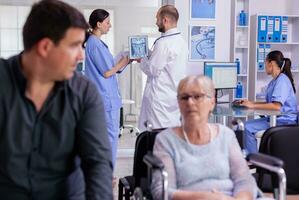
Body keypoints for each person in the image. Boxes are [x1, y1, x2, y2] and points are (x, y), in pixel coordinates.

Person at [0, 0, 113, 199]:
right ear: (45, 47)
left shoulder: (84, 93)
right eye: (74, 46)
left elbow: (98, 163)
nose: (81, 56)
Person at [151, 75, 257, 200]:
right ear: (178, 103)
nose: (190, 102)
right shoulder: (165, 141)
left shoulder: (226, 135)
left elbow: (244, 181)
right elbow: (162, 192)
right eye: (184, 97)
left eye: (197, 96)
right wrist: (205, 197)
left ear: (212, 102)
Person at [84, 9, 129, 168]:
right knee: (110, 138)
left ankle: (104, 173)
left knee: (107, 137)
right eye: (107, 22)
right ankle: (107, 174)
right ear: (98, 24)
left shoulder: (96, 43)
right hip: (106, 99)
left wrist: (125, 61)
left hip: (105, 98)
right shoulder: (94, 44)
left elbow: (110, 67)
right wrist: (124, 62)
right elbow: (107, 72)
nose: (109, 26)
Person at [138, 5, 188, 132]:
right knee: (170, 136)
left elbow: (152, 70)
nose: (156, 22)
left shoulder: (163, 43)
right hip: (172, 98)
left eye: (157, 19)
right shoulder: (181, 41)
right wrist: (148, 54)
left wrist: (141, 59)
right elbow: (165, 62)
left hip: (159, 100)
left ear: (165, 20)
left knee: (155, 138)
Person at [240, 50, 298, 154]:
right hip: (274, 118)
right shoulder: (275, 80)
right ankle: (250, 158)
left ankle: (255, 161)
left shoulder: (282, 80)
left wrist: (252, 106)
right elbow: (270, 103)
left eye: (265, 63)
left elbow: (276, 107)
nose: (264, 66)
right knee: (244, 126)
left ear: (271, 63)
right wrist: (250, 103)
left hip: (284, 121)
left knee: (246, 128)